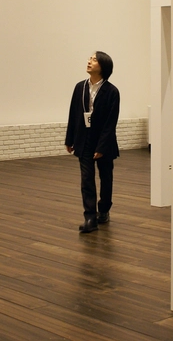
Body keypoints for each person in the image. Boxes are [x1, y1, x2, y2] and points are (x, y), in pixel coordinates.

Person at [65, 51, 120, 233]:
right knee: (86, 180)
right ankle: (90, 217)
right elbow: (73, 115)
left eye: (94, 60)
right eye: (90, 59)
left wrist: (102, 147)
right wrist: (70, 139)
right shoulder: (79, 87)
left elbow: (111, 123)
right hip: (84, 139)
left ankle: (103, 210)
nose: (89, 61)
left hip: (104, 141)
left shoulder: (112, 91)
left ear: (103, 66)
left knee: (106, 178)